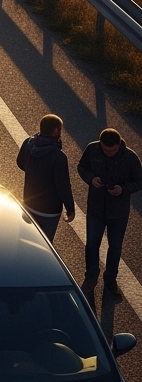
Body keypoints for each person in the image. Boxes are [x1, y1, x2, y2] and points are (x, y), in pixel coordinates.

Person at [78, 127, 142, 301]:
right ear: (100, 143)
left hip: (118, 212)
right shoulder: (92, 149)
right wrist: (91, 178)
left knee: (115, 247)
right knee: (92, 244)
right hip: (96, 209)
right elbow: (82, 167)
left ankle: (110, 280)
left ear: (119, 144)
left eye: (112, 150)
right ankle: (91, 277)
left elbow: (139, 180)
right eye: (106, 150)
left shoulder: (130, 157)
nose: (109, 153)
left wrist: (123, 189)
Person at [17, 114, 75, 242]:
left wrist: (34, 172)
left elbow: (20, 162)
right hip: (49, 211)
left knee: (25, 241)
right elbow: (63, 186)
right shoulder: (59, 157)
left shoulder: (28, 143)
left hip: (28, 203)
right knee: (44, 245)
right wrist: (70, 208)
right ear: (55, 131)